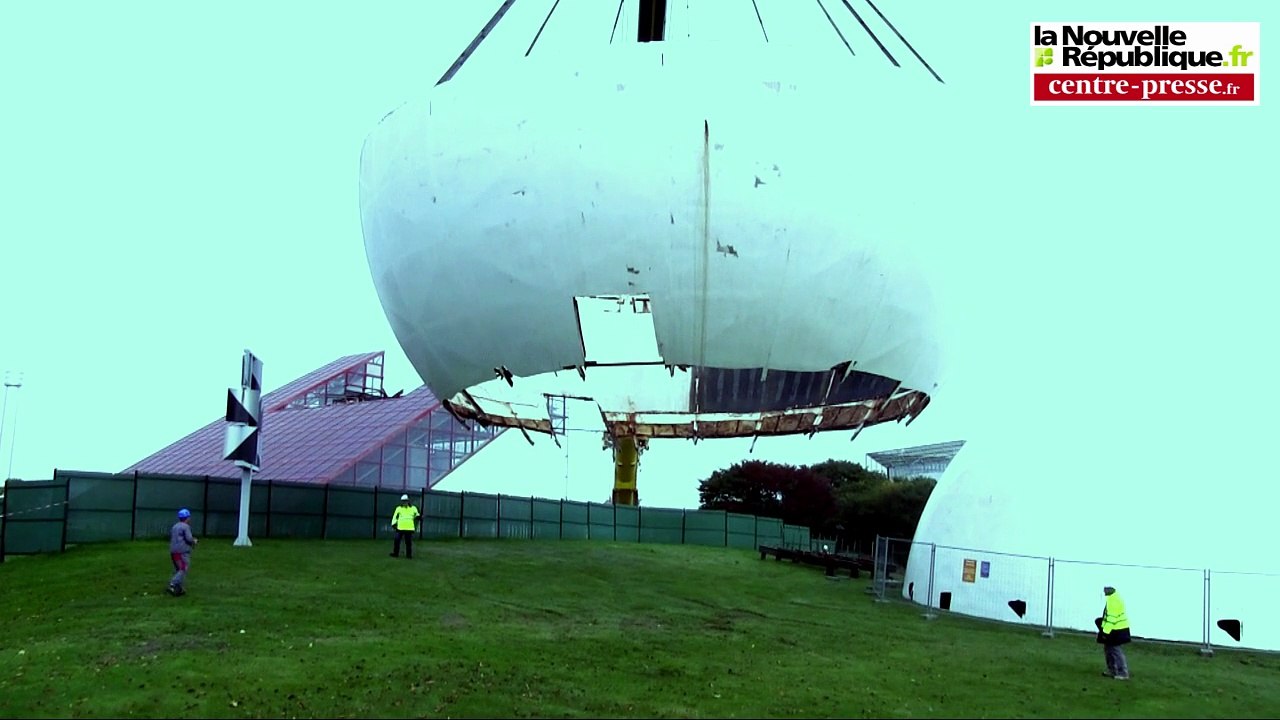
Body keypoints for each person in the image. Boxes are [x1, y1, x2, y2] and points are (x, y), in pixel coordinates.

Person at [1095, 585, 1132, 679]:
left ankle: (1122, 672)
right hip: (1115, 629)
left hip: (1116, 630)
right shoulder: (1113, 599)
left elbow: (1111, 619)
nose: (1103, 592)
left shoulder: (1113, 601)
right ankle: (1112, 670)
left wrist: (1105, 633)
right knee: (1109, 649)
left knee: (1115, 650)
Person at [168, 508, 198, 596]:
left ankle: (179, 589)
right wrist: (194, 541)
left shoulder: (175, 526)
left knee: (178, 569)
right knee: (183, 568)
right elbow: (188, 538)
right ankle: (173, 584)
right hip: (182, 551)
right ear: (187, 518)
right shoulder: (185, 526)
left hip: (173, 551)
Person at [390, 494, 421, 559]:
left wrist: (420, 517)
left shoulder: (413, 508)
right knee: (397, 540)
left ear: (408, 501)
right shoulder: (398, 508)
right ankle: (395, 553)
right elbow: (395, 516)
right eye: (403, 501)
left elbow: (417, 515)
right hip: (400, 527)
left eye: (405, 501)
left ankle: (409, 555)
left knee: (408, 542)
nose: (404, 502)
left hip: (409, 528)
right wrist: (393, 524)